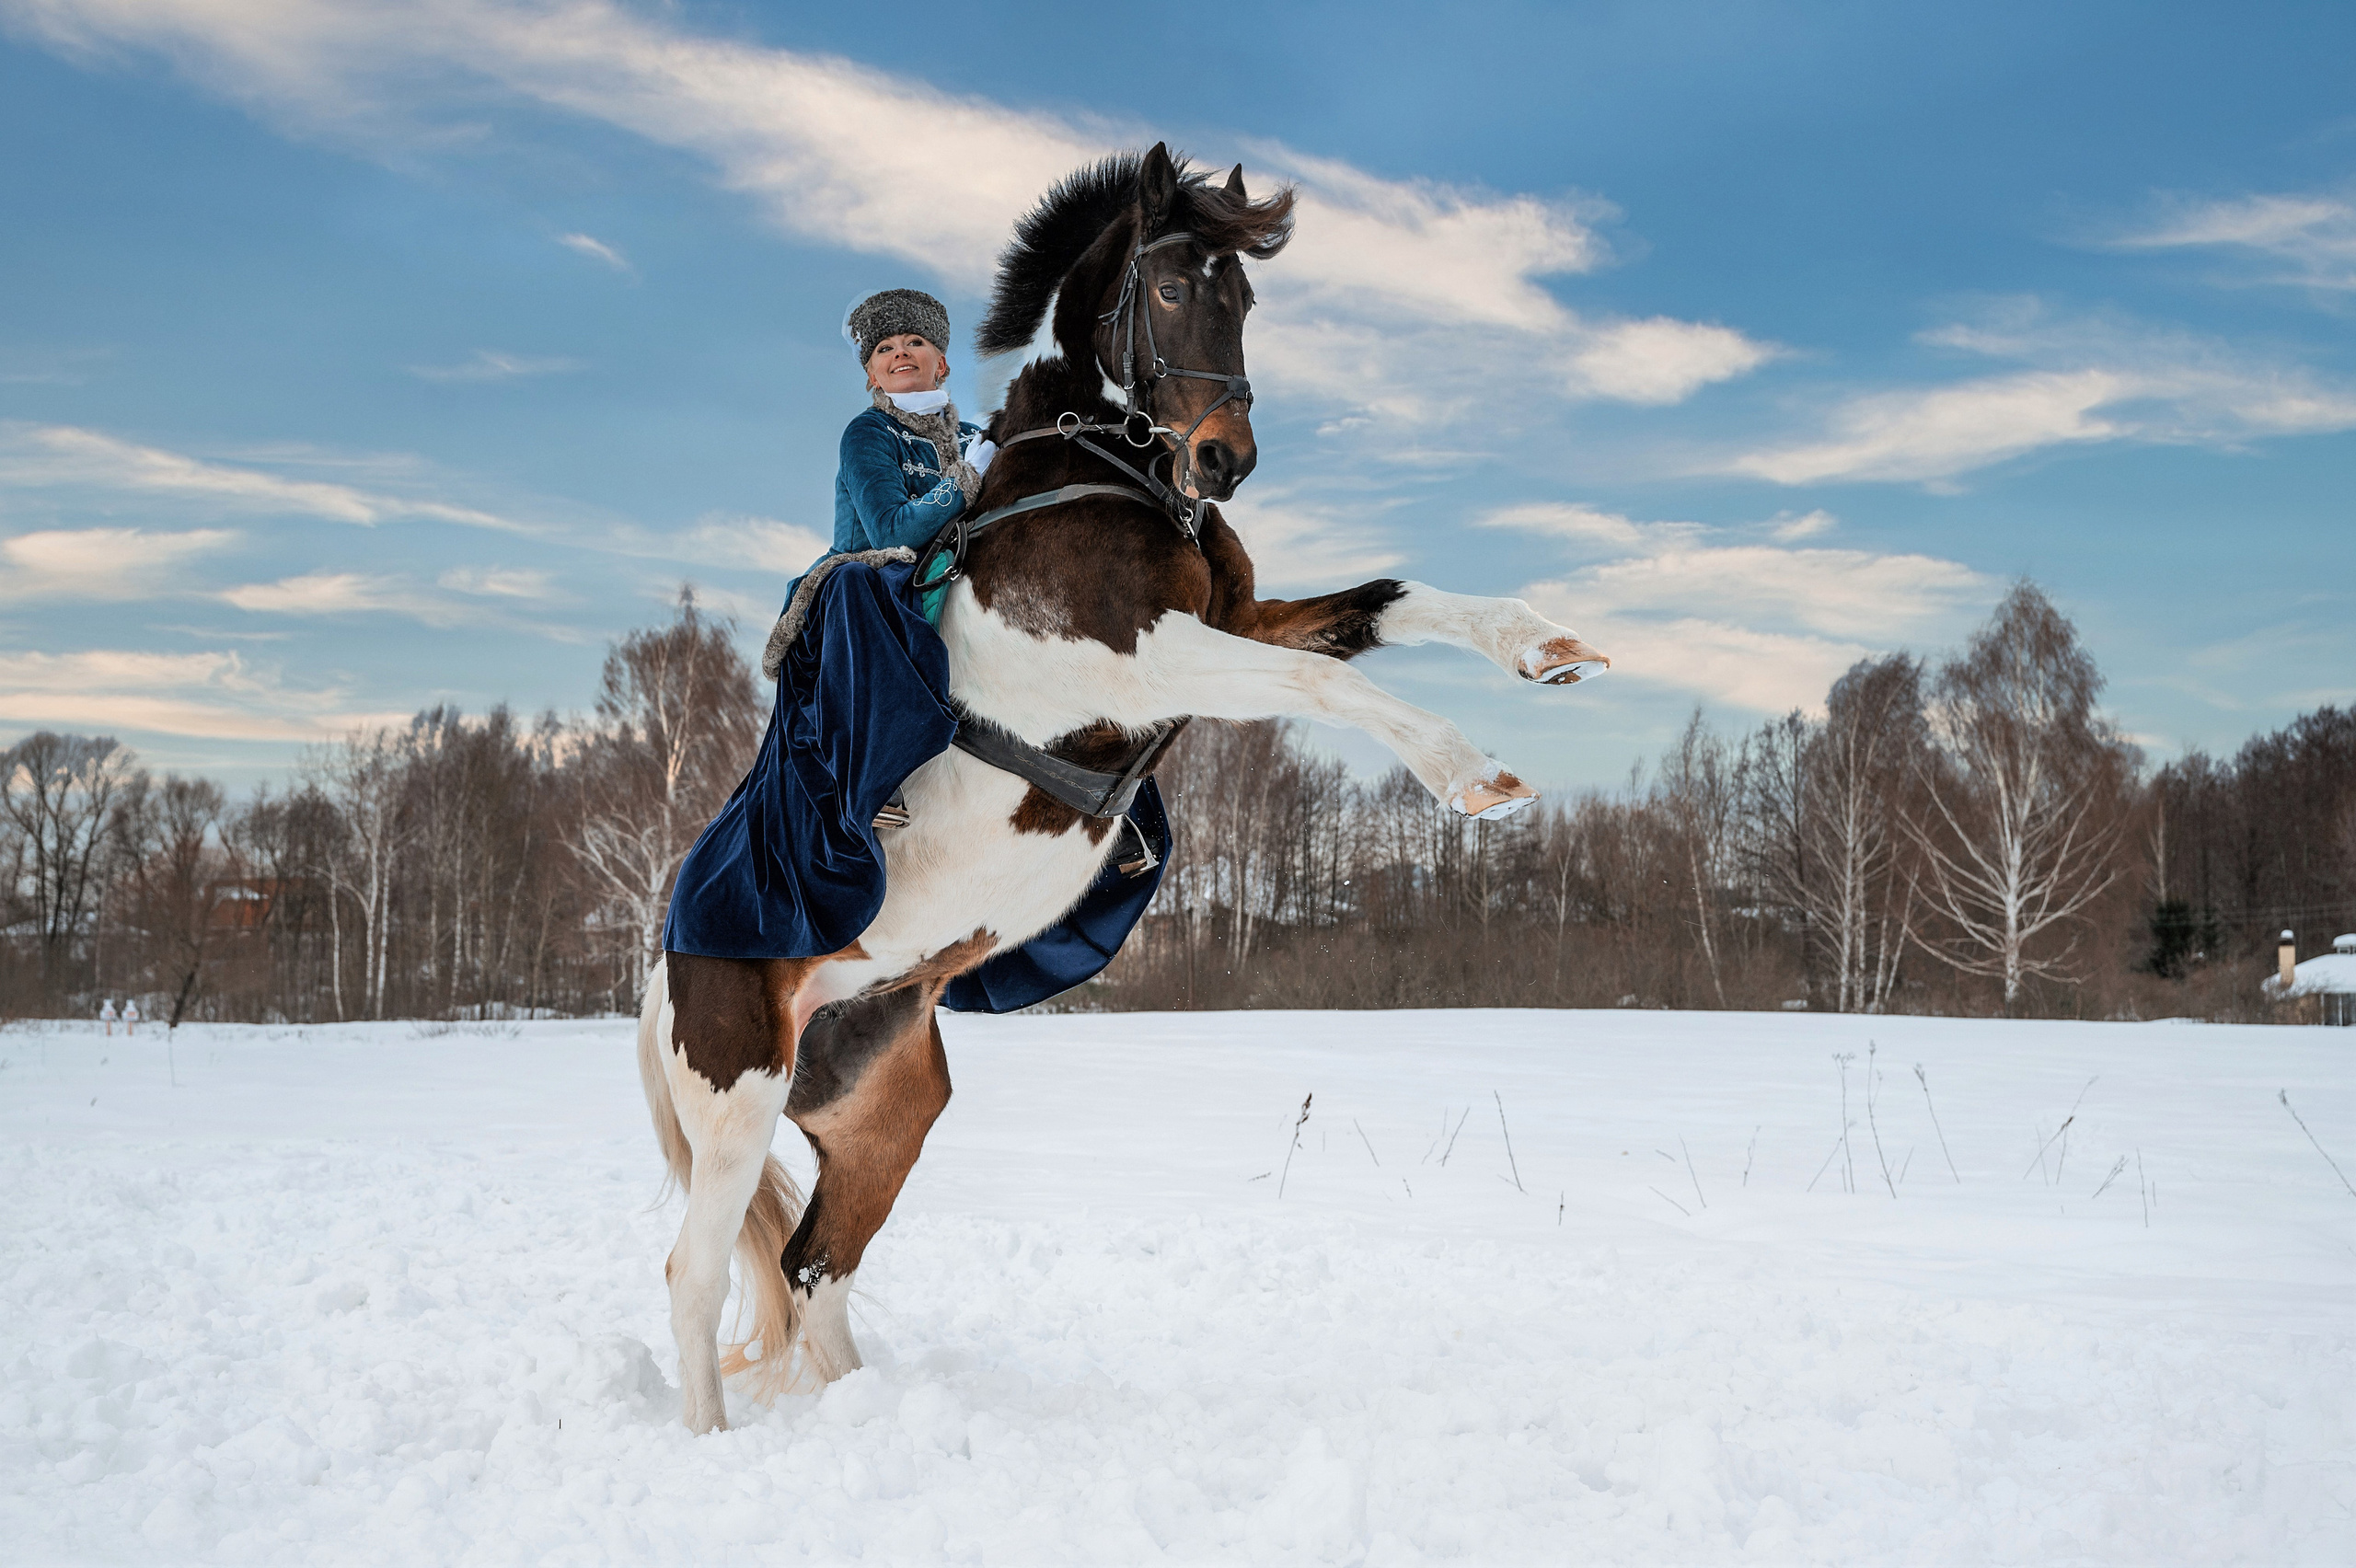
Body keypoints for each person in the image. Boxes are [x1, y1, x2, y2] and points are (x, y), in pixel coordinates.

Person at [827, 288, 997, 564]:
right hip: (871, 582)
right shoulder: (868, 432)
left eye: (915, 342)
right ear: (874, 377)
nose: (901, 353)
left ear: (940, 365)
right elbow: (889, 533)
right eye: (885, 348)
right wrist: (967, 477)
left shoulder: (973, 437)